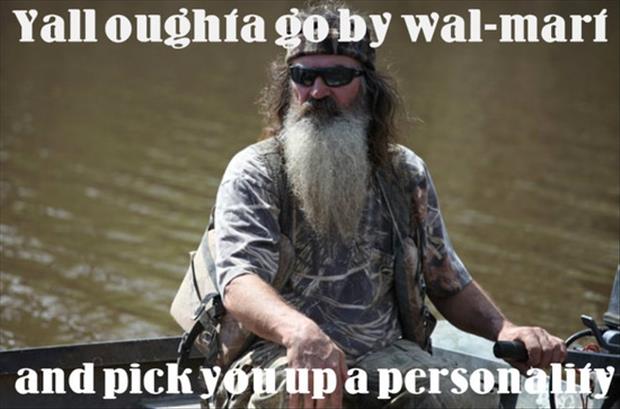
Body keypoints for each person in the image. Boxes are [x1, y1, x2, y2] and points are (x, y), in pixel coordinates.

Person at [207, 3, 566, 408]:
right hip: (277, 354)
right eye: (304, 76)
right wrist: (299, 332)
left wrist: (505, 329)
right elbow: (239, 282)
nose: (318, 91)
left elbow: (446, 283)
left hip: (386, 355)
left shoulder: (404, 173)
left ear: (368, 86)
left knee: (452, 395)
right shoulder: (254, 171)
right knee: (306, 387)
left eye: (337, 76)